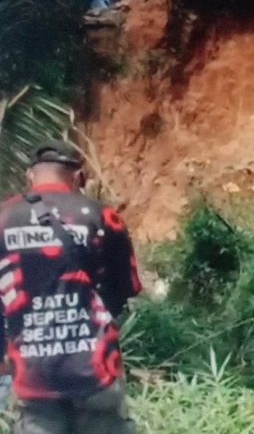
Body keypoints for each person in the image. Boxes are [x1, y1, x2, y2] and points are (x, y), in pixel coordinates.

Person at [0, 141, 141, 434]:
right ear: (77, 178)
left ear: (30, 176)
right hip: (95, 368)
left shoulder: (3, 218)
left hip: (33, 373)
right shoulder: (103, 216)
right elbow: (122, 290)